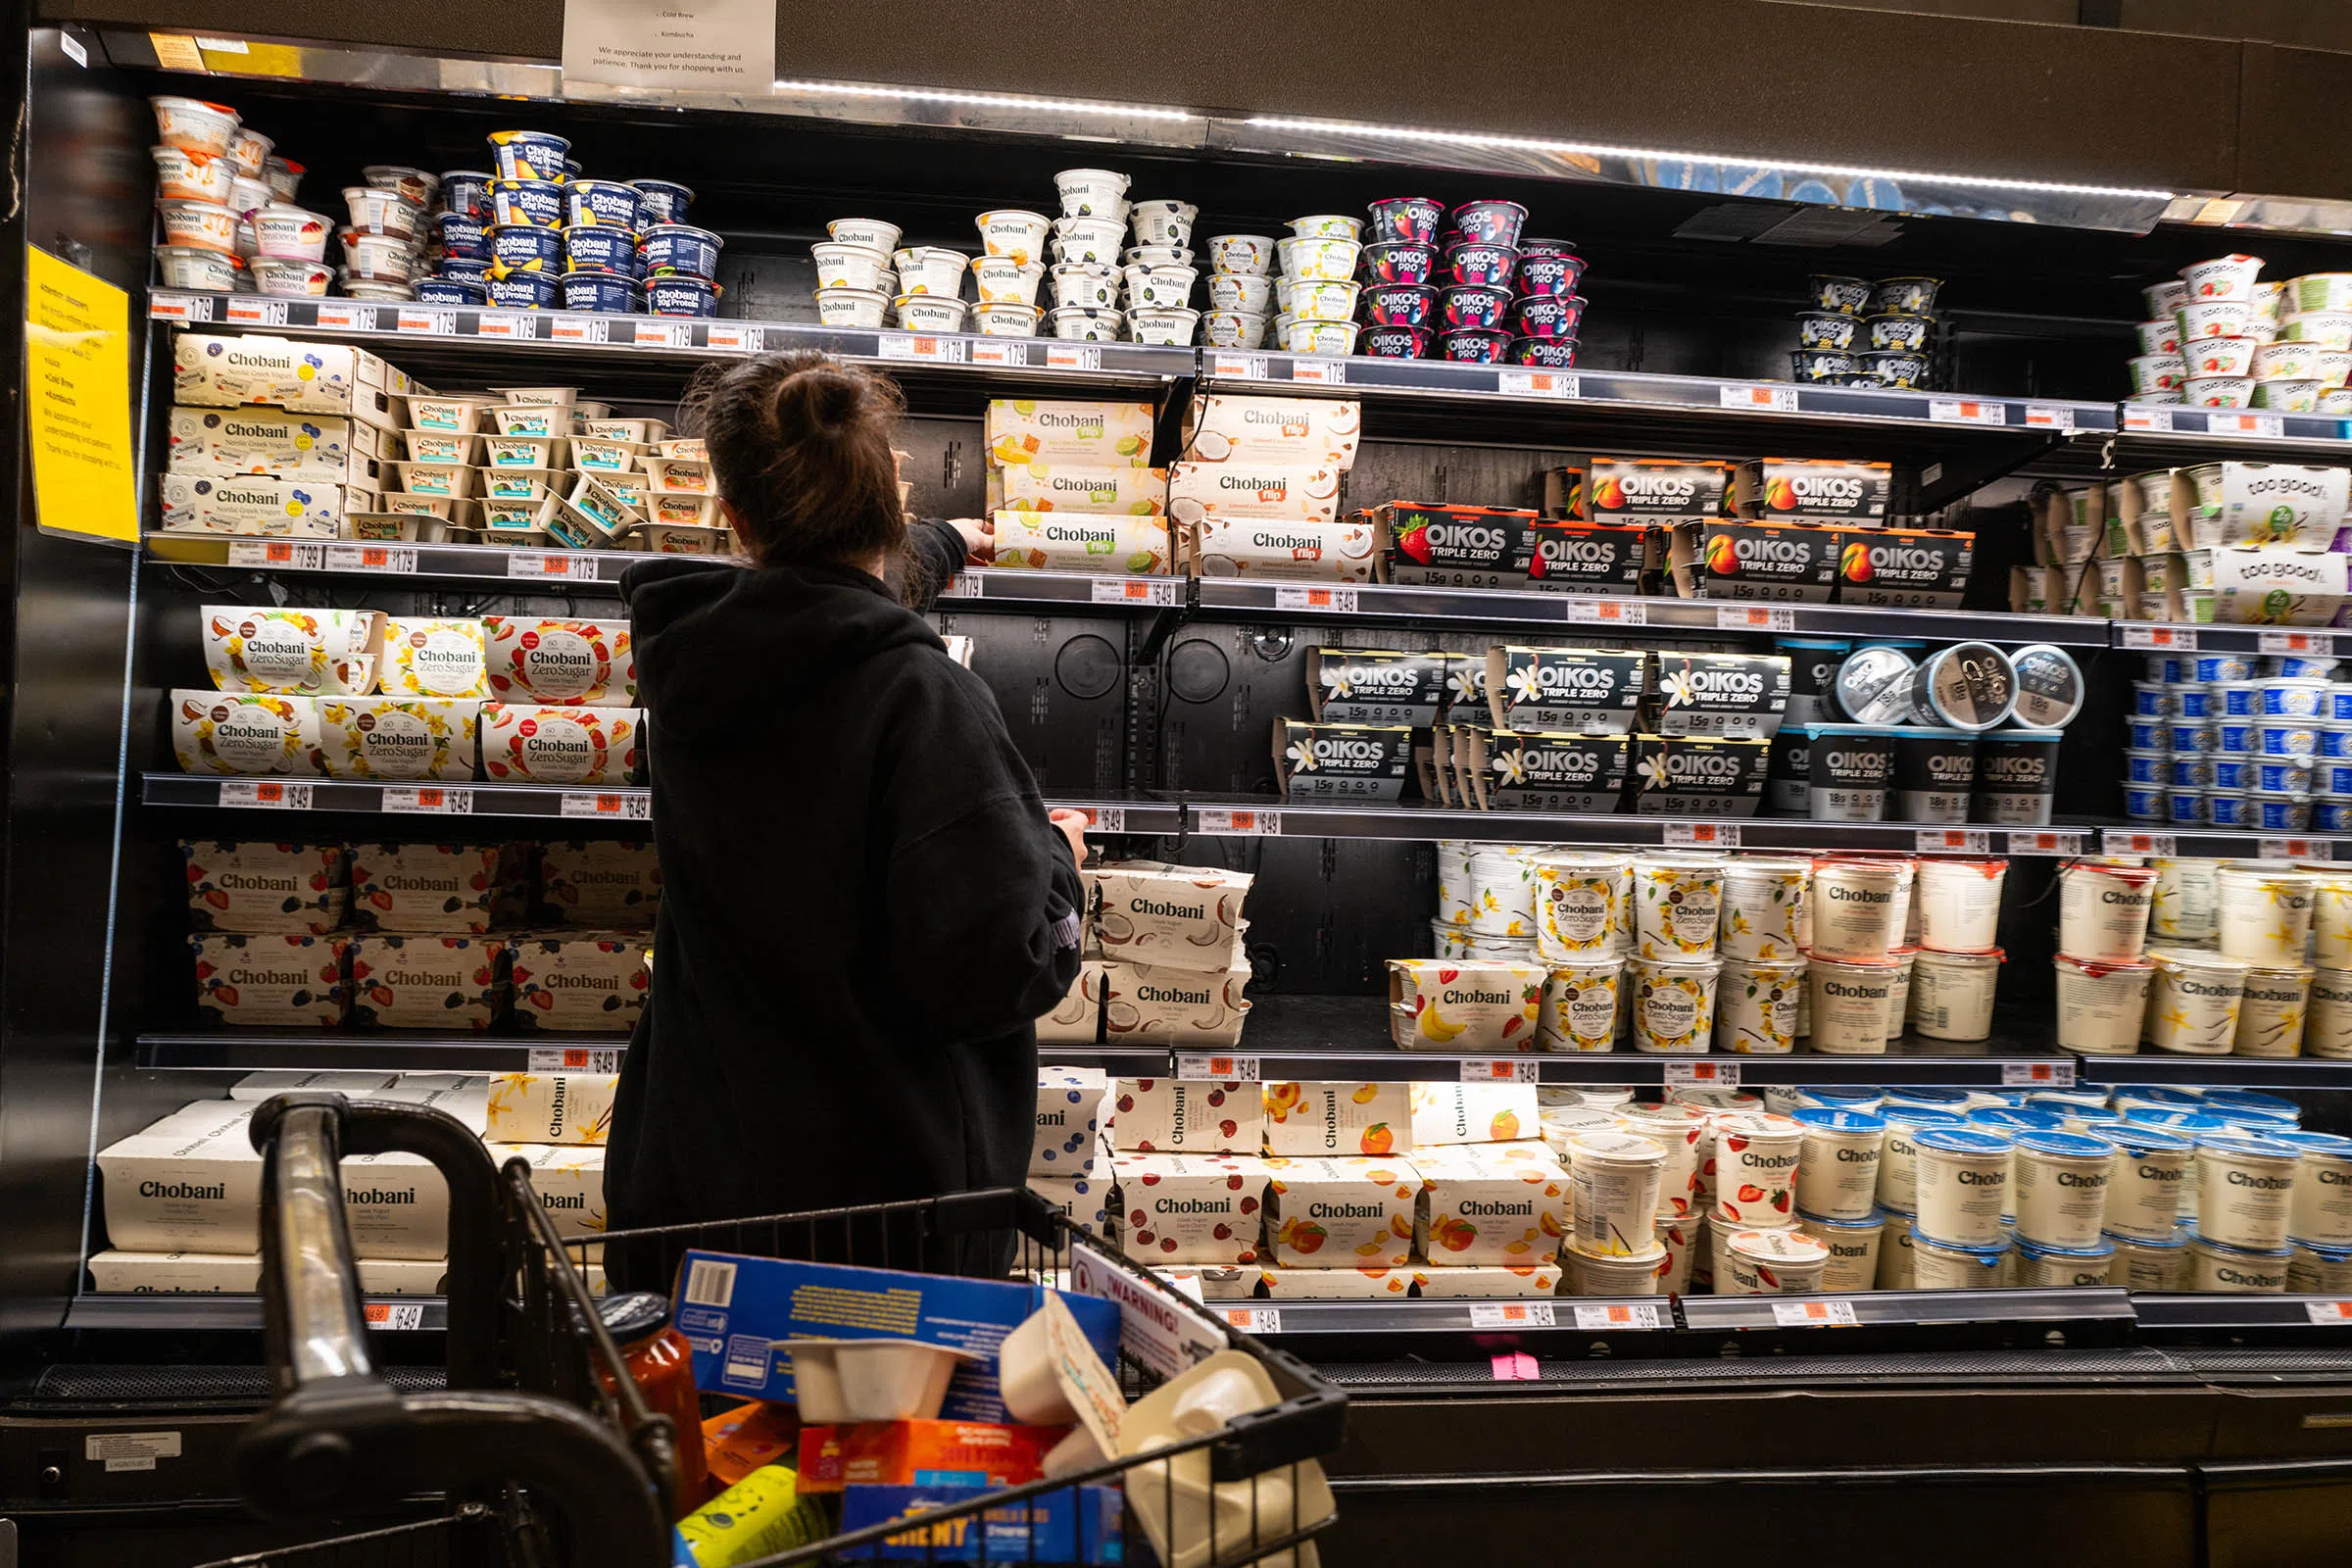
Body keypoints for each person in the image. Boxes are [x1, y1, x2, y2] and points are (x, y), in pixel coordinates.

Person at [605, 350, 1087, 1282]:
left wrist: (940, 545)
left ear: (736, 517)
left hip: (699, 1189)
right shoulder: (924, 698)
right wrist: (1059, 864)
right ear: (885, 508)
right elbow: (1001, 968)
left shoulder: (694, 673)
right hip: (879, 1219)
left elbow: (816, 611)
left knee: (724, 1387)